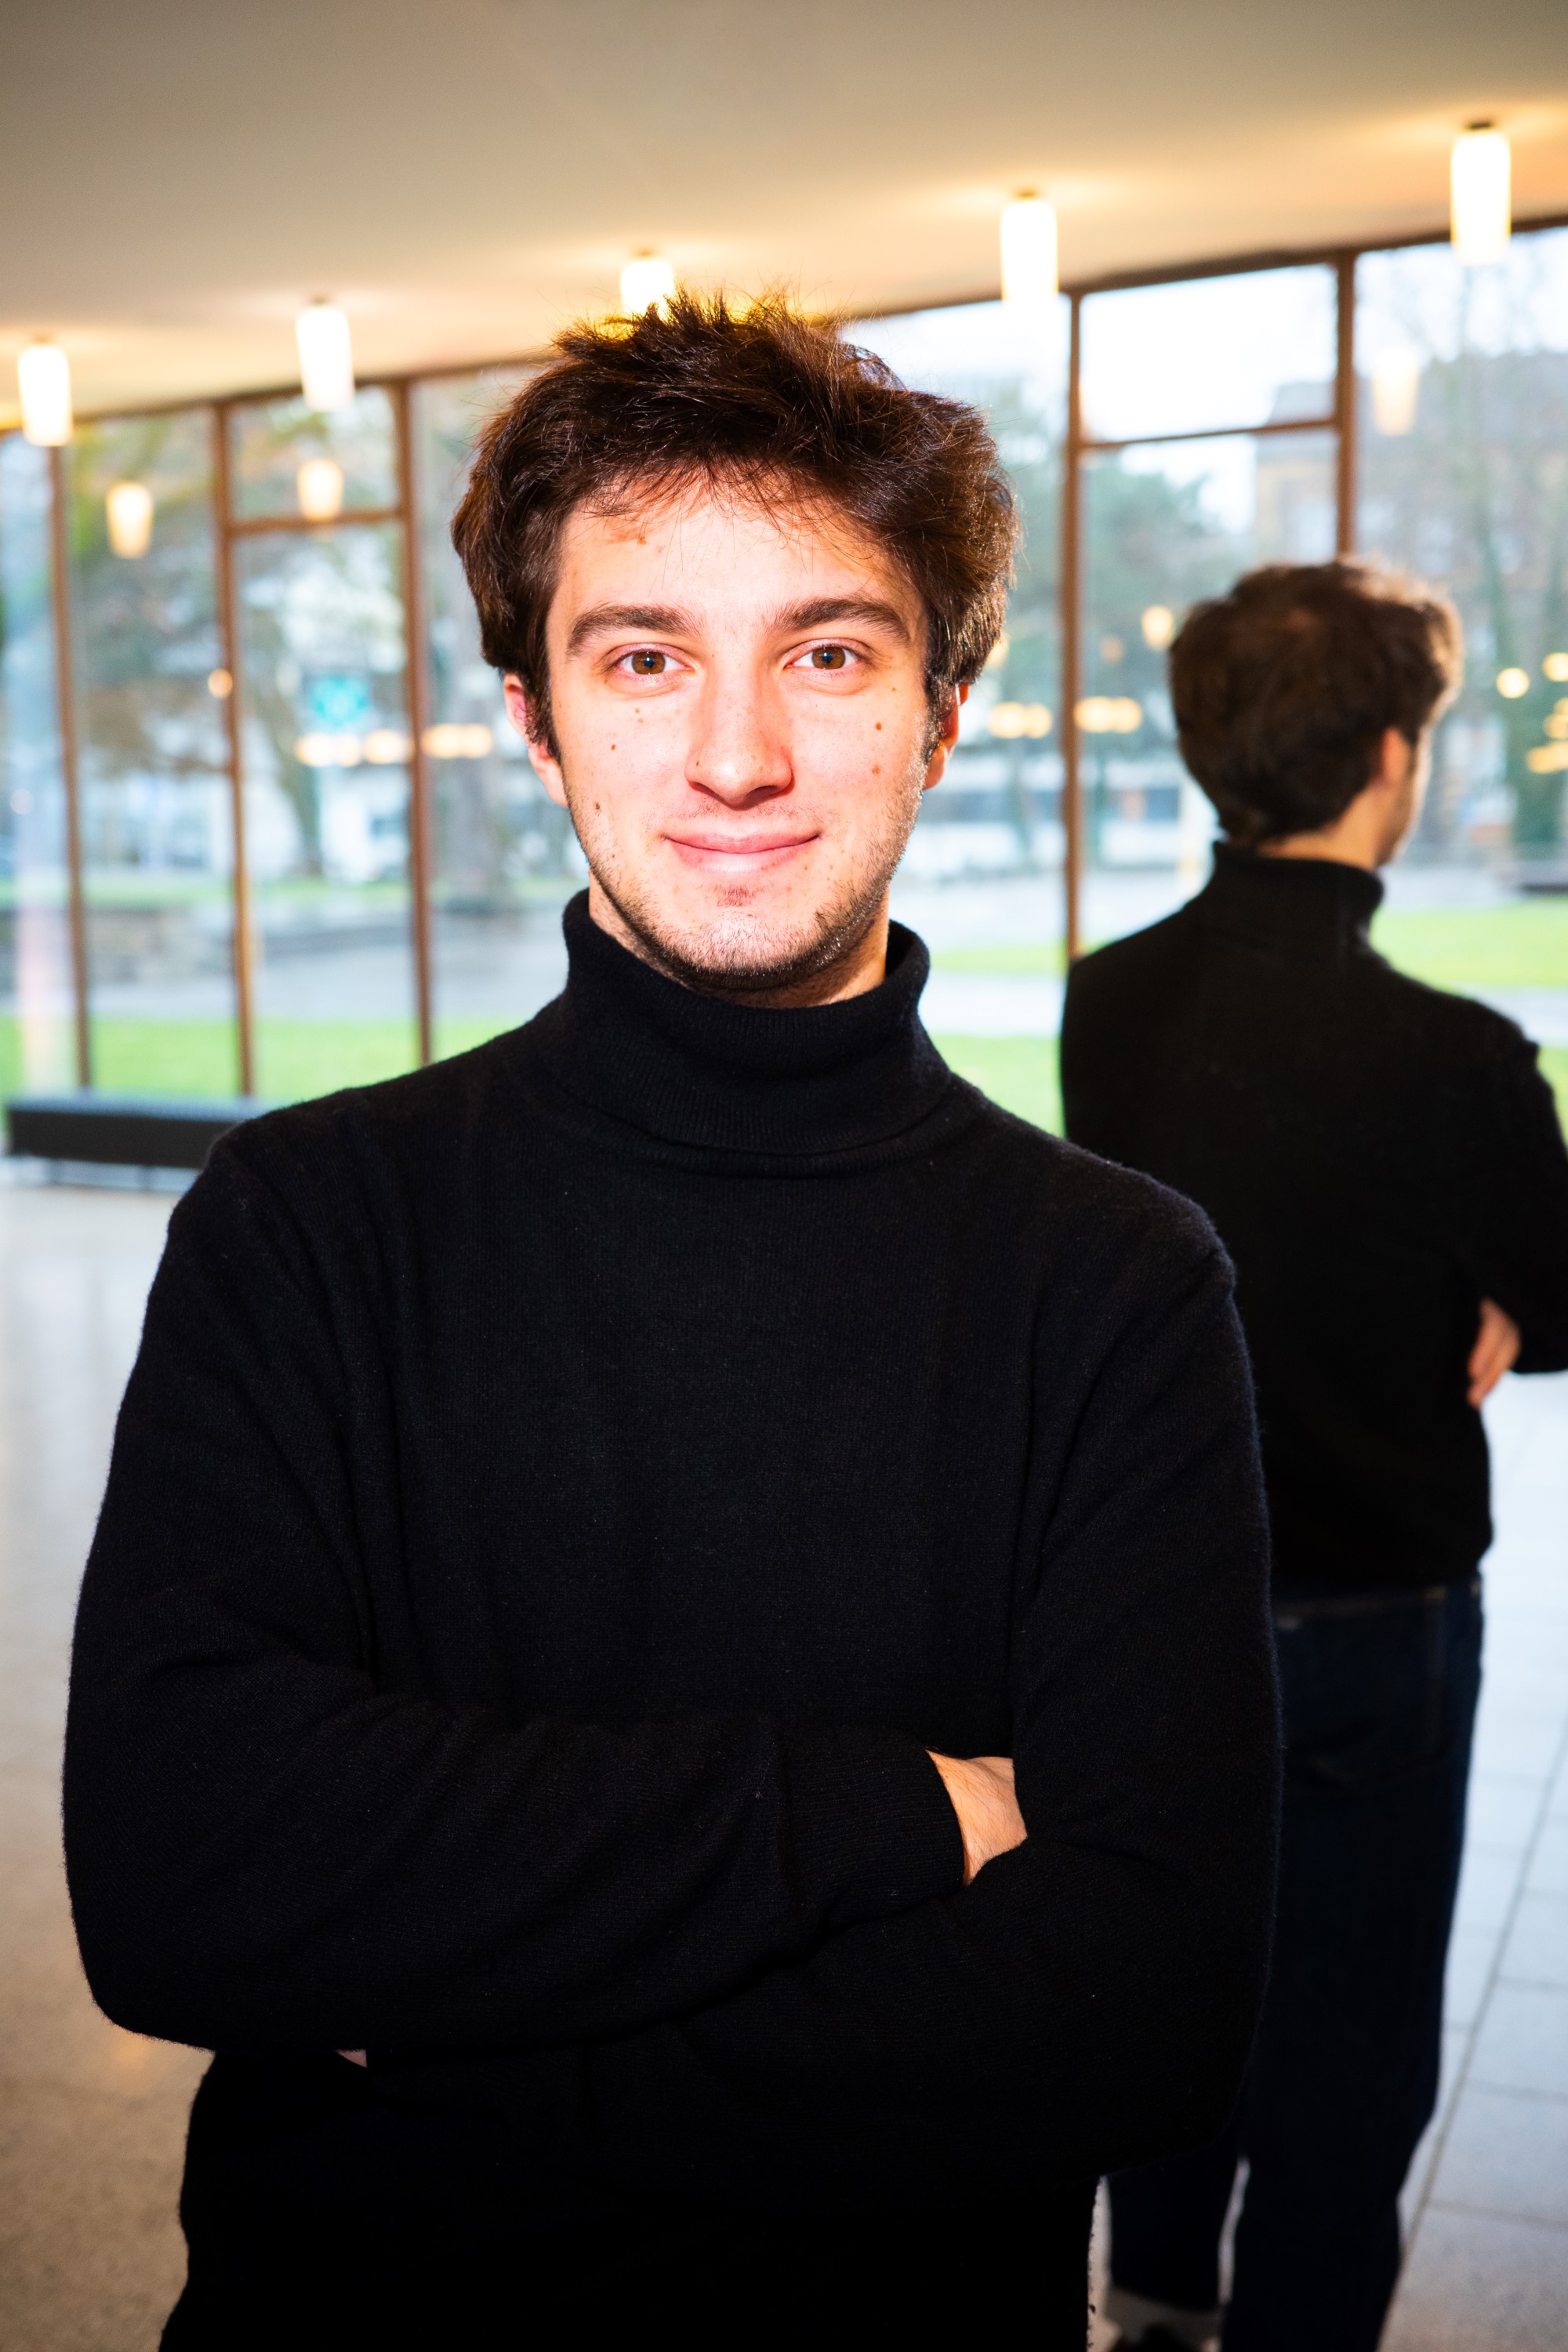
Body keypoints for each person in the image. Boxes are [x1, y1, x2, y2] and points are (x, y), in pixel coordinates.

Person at [64, 294, 1278, 2347]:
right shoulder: (309, 1225)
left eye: (828, 653)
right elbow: (182, 1877)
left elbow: (1141, 2009)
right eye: (643, 659)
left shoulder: (1114, 1285)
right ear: (536, 720)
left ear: (941, 711)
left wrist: (442, 2046)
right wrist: (886, 1815)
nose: (735, 756)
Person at [1061, 561, 1568, 2352]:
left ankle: (1152, 2309)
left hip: (1153, 1602)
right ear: (1389, 758)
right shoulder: (1461, 1057)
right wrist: (1495, 1297)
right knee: (1347, 2050)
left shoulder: (1108, 1002)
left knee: (1170, 1971)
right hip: (1376, 1614)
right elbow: (1554, 1303)